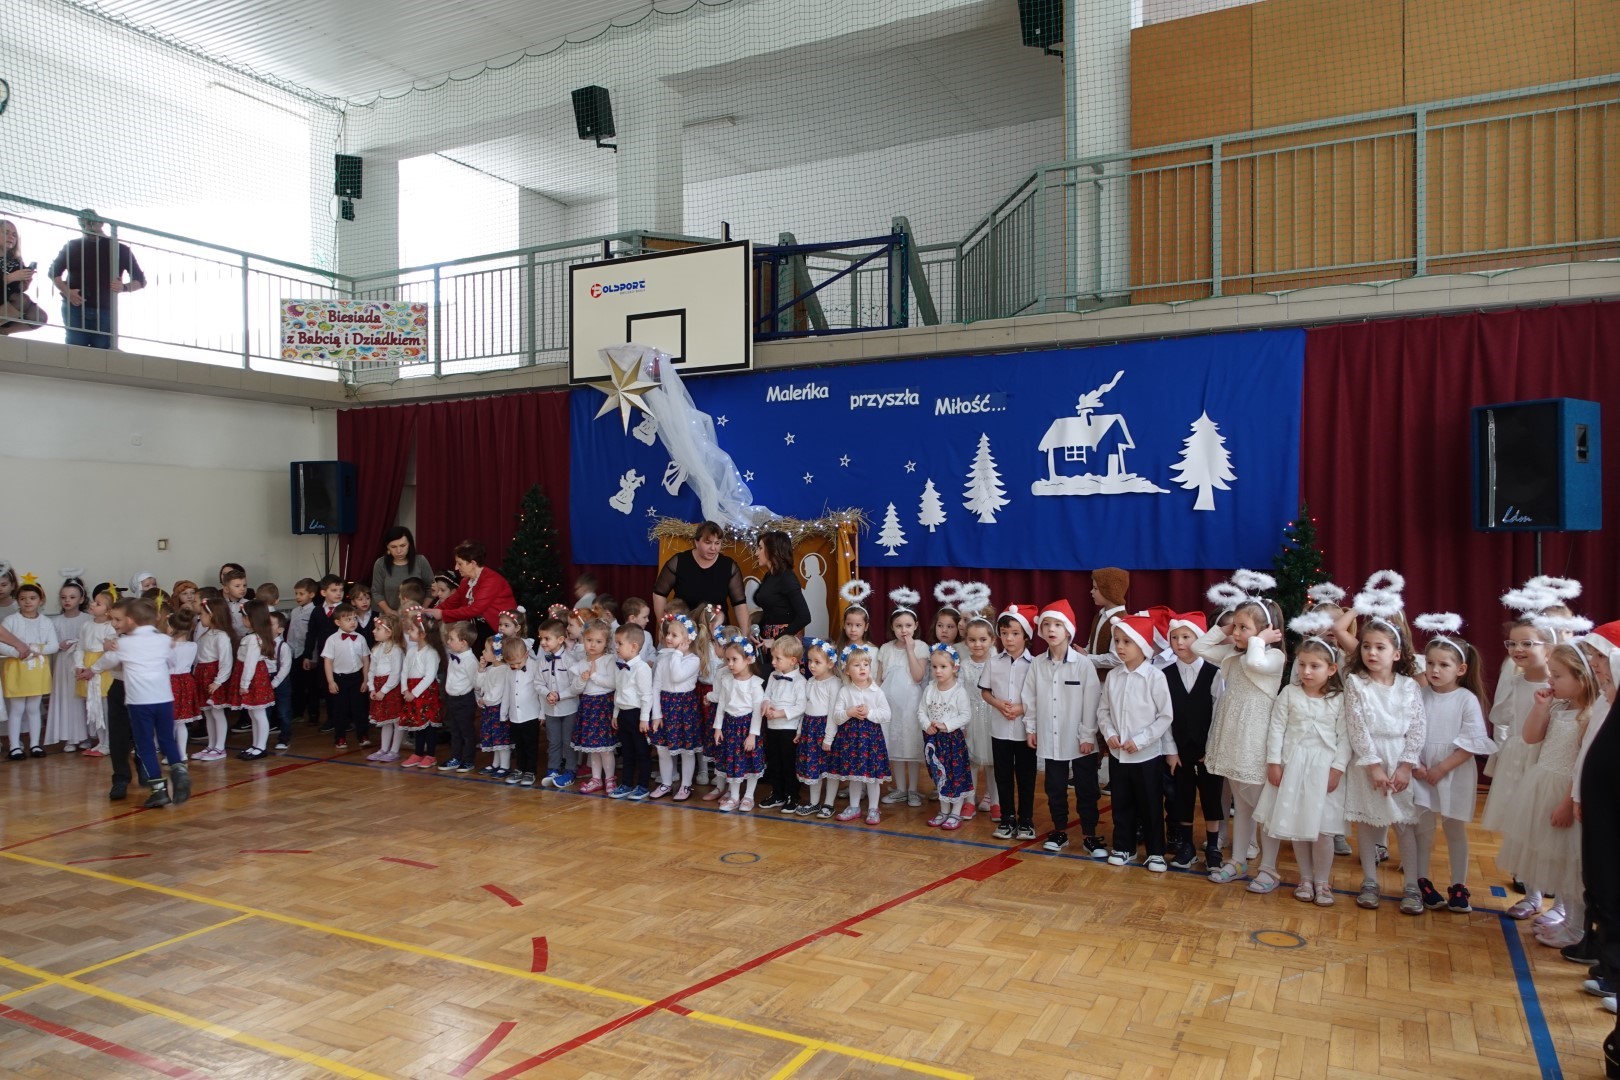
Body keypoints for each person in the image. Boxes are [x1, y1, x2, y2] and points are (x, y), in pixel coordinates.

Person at [1499, 643, 1600, 949]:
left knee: (1571, 865)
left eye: (1557, 675)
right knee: (1554, 861)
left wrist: (1568, 803)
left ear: (1581, 677)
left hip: (1566, 794)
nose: (1550, 681)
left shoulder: (1589, 716)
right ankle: (1565, 919)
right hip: (1541, 787)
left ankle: (1576, 926)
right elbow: (1530, 737)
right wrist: (1541, 707)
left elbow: (1582, 765)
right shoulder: (1558, 707)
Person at [1250, 623, 1349, 902]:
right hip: (1292, 767)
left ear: (1331, 669)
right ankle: (1305, 879)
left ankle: (1322, 881)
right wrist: (1273, 762)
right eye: (1302, 665)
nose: (1306, 671)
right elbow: (1276, 729)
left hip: (1324, 770)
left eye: (1315, 666)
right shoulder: (1289, 693)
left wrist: (1338, 768)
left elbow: (1345, 738)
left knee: (1322, 830)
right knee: (1298, 827)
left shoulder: (1339, 699)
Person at [1196, 595, 1287, 884]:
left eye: (1242, 627)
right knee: (1243, 805)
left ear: (1265, 630)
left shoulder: (1274, 657)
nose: (1235, 633)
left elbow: (1256, 663)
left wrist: (1258, 640)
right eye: (1234, 626)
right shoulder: (1233, 653)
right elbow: (1199, 647)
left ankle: (1268, 868)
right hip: (1232, 736)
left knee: (1263, 808)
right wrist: (1224, 629)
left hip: (1255, 740)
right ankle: (1237, 861)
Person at [1409, 617, 1497, 914]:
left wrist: (1442, 768)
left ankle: (1459, 884)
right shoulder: (1418, 695)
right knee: (1423, 829)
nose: (1434, 670)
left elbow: (1471, 742)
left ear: (1460, 669)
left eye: (1443, 665)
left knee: (1455, 829)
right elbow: (1410, 733)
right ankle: (1422, 880)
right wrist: (1418, 766)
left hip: (1454, 771)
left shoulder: (1466, 699)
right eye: (1430, 663)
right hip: (1421, 772)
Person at [1343, 614, 1429, 913]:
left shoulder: (1409, 686)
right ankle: (1369, 880)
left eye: (1380, 647)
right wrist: (1373, 766)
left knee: (1404, 824)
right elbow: (1357, 728)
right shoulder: (1356, 683)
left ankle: (1411, 886)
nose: (1371, 652)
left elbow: (1417, 727)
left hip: (1399, 757)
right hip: (1369, 761)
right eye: (1366, 646)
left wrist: (1406, 765)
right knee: (1368, 823)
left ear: (1396, 653)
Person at [1481, 613, 1553, 917]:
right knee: (1522, 828)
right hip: (1518, 760)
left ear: (1548, 648)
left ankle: (1561, 903)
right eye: (1512, 644)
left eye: (1527, 643)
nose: (1517, 649)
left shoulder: (1559, 685)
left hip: (1547, 760)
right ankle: (1531, 894)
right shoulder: (1514, 681)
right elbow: (1501, 718)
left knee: (1548, 830)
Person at [90, 597, 189, 807]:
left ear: (130, 620)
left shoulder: (124, 644)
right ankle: (179, 771)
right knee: (166, 740)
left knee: (145, 745)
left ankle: (158, 790)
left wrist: (92, 669)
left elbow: (107, 661)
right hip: (164, 699)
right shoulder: (163, 640)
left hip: (140, 702)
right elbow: (172, 661)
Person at [1096, 614, 1176, 872]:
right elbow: (1103, 711)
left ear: (1142, 644)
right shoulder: (1113, 676)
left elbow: (1165, 716)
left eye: (1126, 641)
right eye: (1117, 641)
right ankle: (1124, 846)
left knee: (1150, 804)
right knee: (1121, 802)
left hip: (1146, 756)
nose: (1119, 646)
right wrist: (1110, 733)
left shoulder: (1155, 677)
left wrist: (1140, 741)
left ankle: (1156, 852)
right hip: (1119, 755)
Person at [1023, 600, 1103, 854]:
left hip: (1081, 740)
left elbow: (1092, 701)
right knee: (1055, 788)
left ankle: (1090, 834)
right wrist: (1031, 728)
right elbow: (1030, 697)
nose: (1051, 629)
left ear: (1068, 630)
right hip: (1050, 737)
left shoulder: (1083, 664)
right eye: (1047, 624)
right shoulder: (1037, 664)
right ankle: (1060, 831)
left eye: (1058, 624)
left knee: (1086, 789)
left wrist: (1087, 734)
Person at [1163, 611, 1223, 871]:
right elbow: (1164, 716)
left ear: (1199, 639)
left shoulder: (1214, 673)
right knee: (1182, 797)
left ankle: (1213, 846)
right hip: (1179, 751)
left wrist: (1211, 748)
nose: (1179, 642)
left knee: (1211, 798)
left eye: (1186, 637)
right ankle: (1186, 846)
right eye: (1174, 637)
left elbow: (1219, 713)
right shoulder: (1164, 674)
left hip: (1208, 751)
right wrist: (1171, 751)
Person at [981, 605, 1037, 841]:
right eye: (1004, 633)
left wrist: (1021, 708)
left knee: (1026, 776)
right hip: (1000, 729)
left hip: (1025, 730)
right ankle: (1007, 818)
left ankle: (1026, 820)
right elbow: (985, 692)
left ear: (1026, 635)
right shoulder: (993, 662)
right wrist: (998, 704)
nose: (1009, 638)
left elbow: (1040, 695)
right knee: (1002, 775)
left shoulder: (1035, 664)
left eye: (1015, 633)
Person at [49, 211, 144, 349]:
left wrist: (123, 287)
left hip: (105, 310)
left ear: (101, 223)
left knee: (102, 351)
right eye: (83, 224)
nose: (88, 227)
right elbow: (53, 272)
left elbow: (140, 280)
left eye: (91, 223)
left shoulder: (120, 249)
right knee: (75, 350)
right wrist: (67, 292)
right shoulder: (72, 246)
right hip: (75, 308)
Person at [824, 646, 891, 824]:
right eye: (856, 665)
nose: (862, 668)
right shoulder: (845, 691)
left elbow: (886, 715)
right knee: (854, 775)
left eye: (865, 664)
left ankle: (873, 808)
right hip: (851, 740)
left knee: (872, 777)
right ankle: (854, 807)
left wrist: (869, 713)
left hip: (871, 740)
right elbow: (836, 716)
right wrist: (849, 712)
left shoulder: (877, 692)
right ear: (847, 670)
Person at [878, 597, 930, 808]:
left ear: (916, 626)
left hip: (911, 705)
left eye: (908, 625)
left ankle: (913, 789)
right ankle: (900, 789)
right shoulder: (885, 648)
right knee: (895, 746)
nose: (904, 630)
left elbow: (918, 676)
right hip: (890, 705)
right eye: (899, 626)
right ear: (892, 627)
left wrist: (910, 649)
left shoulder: (921, 647)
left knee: (911, 746)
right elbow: (879, 679)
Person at [650, 521, 750, 628]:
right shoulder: (679, 561)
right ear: (696, 542)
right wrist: (663, 625)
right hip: (683, 629)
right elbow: (659, 594)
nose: (713, 548)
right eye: (708, 543)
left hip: (716, 630)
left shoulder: (729, 566)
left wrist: (745, 635)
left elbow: (739, 604)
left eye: (717, 543)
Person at [1, 579, 60, 757]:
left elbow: (54, 646)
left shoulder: (46, 622)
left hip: (37, 670)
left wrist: (36, 649)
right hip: (16, 669)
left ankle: (35, 745)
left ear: (41, 600)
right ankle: (15, 746)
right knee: (17, 709)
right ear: (17, 600)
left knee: (34, 709)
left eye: (32, 598)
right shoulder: (10, 620)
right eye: (23, 598)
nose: (28, 602)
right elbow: (1, 643)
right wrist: (16, 652)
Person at [648, 613, 704, 800]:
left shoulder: (693, 660)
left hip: (683, 708)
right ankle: (666, 783)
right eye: (668, 634)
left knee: (687, 750)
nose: (668, 637)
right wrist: (656, 714)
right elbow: (656, 687)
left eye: (674, 635)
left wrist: (678, 654)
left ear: (688, 640)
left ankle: (686, 785)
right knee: (663, 749)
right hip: (665, 706)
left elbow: (677, 676)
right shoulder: (664, 659)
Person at [919, 644, 974, 830]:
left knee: (955, 775)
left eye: (943, 667)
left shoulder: (959, 692)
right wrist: (927, 725)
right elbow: (921, 711)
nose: (938, 671)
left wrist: (946, 725)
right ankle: (943, 811)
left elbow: (965, 715)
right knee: (939, 774)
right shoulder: (930, 689)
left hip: (953, 741)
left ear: (954, 668)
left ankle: (955, 813)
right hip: (934, 740)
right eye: (934, 667)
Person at [423, 540, 517, 647]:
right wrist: (429, 613)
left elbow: (475, 609)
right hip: (478, 628)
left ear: (473, 564)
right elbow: (451, 602)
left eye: (460, 563)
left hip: (497, 630)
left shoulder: (491, 580)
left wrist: (442, 614)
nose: (456, 567)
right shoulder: (466, 581)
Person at [709, 637, 767, 812]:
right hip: (730, 726)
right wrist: (718, 727)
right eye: (728, 659)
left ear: (748, 659)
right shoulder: (727, 680)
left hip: (747, 727)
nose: (730, 664)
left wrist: (752, 735)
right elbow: (722, 705)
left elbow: (757, 712)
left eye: (734, 659)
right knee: (732, 761)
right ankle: (734, 796)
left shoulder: (755, 684)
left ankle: (748, 796)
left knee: (751, 761)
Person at [795, 637, 842, 819]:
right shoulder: (810, 682)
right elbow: (804, 708)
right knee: (813, 767)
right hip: (810, 728)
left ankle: (829, 803)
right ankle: (814, 803)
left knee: (829, 769)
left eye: (817, 662)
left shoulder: (834, 684)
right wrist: (800, 730)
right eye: (810, 661)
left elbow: (833, 713)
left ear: (830, 663)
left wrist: (829, 738)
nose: (812, 665)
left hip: (826, 730)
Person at [571, 620, 619, 793]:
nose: (593, 645)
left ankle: (610, 779)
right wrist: (582, 679)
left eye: (598, 641)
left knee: (605, 748)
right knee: (593, 748)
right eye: (589, 640)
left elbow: (613, 683)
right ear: (583, 639)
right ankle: (596, 778)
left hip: (603, 706)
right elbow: (574, 689)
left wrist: (594, 676)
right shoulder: (581, 663)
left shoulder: (609, 660)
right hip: (588, 706)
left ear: (606, 643)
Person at [759, 635, 807, 811]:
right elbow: (767, 694)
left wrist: (779, 713)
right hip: (772, 727)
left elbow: (801, 706)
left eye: (777, 658)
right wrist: (766, 703)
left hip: (789, 729)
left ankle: (792, 796)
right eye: (773, 657)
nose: (773, 662)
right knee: (774, 762)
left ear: (792, 660)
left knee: (788, 764)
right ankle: (777, 793)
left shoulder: (800, 681)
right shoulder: (773, 675)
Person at [957, 613, 997, 820]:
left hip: (992, 717)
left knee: (992, 763)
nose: (977, 644)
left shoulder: (997, 663)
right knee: (971, 761)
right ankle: (969, 801)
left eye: (983, 639)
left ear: (992, 640)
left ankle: (996, 801)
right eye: (972, 640)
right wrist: (961, 722)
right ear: (966, 641)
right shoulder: (964, 665)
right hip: (971, 718)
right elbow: (959, 693)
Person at [535, 618, 583, 791]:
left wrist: (559, 695)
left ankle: (570, 770)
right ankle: (553, 769)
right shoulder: (542, 661)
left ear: (560, 639)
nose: (543, 642)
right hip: (551, 710)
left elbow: (576, 687)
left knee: (568, 741)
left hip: (569, 709)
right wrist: (547, 693)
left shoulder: (570, 661)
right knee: (553, 741)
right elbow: (538, 683)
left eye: (547, 638)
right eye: (541, 638)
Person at [45, 578, 92, 751]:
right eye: (64, 597)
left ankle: (86, 736)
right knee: (67, 698)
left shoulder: (88, 619)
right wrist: (59, 645)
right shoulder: (55, 621)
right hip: (63, 664)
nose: (67, 600)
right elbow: (50, 643)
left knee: (82, 698)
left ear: (81, 599)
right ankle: (70, 737)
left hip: (82, 663)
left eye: (72, 597)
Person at [610, 624, 654, 800]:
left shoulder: (642, 668)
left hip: (637, 715)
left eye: (620, 643)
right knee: (626, 751)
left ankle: (643, 785)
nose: (616, 647)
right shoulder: (621, 667)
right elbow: (618, 692)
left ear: (634, 646)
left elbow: (646, 696)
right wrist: (616, 714)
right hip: (623, 714)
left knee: (642, 752)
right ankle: (626, 784)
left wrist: (644, 719)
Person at [323, 603, 372, 752]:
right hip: (339, 679)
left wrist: (366, 680)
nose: (352, 622)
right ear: (338, 622)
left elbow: (365, 660)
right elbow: (328, 661)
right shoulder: (332, 640)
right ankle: (340, 737)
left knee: (360, 709)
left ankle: (363, 735)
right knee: (340, 710)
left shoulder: (360, 638)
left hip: (357, 678)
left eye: (354, 618)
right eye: (348, 619)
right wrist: (331, 681)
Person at [397, 614, 444, 767]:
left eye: (412, 629)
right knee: (417, 724)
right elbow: (404, 671)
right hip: (411, 691)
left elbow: (429, 677)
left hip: (426, 693)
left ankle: (430, 755)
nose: (408, 632)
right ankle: (418, 753)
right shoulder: (411, 651)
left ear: (423, 634)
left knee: (428, 725)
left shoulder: (431, 653)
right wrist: (405, 689)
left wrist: (414, 693)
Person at [750, 531, 811, 646]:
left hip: (785, 644)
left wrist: (776, 640)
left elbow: (804, 617)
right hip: (769, 639)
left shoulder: (787, 577)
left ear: (772, 550)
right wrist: (757, 632)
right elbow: (770, 612)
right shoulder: (769, 576)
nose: (756, 553)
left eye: (760, 548)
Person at [439, 622, 480, 774]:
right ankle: (455, 757)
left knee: (466, 731)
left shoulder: (470, 661)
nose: (448, 641)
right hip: (453, 699)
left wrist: (477, 701)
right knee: (454, 730)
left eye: (451, 639)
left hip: (465, 700)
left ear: (463, 643)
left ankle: (468, 760)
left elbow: (476, 682)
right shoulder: (454, 655)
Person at [364, 614, 405, 762]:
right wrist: (371, 688)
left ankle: (394, 750)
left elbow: (395, 674)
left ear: (389, 632)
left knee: (396, 720)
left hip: (391, 689)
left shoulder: (396, 650)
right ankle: (383, 748)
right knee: (385, 720)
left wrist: (384, 690)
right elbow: (372, 670)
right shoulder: (376, 649)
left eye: (378, 629)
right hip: (378, 687)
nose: (373, 631)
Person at [502, 636, 542, 787]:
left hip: (531, 714)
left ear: (526, 654)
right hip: (514, 715)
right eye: (511, 664)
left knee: (530, 744)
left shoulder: (535, 667)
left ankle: (530, 771)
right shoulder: (510, 670)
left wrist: (542, 713)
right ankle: (520, 768)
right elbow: (507, 690)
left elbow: (540, 691)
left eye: (518, 663)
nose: (515, 666)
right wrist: (504, 711)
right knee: (518, 744)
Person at [371, 527, 434, 616]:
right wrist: (389, 611)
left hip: (416, 615)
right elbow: (377, 592)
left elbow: (431, 588)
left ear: (409, 544)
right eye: (393, 547)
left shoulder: (420, 561)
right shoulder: (381, 563)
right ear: (387, 547)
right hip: (390, 616)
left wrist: (421, 610)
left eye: (403, 545)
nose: (399, 551)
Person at [476, 636, 514, 780]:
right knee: (494, 738)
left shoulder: (504, 670)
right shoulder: (490, 669)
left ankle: (505, 765)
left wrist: (485, 699)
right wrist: (481, 669)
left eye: (486, 650)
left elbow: (497, 693)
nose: (483, 652)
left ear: (497, 654)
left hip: (498, 710)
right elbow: (479, 685)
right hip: (490, 709)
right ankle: (496, 763)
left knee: (501, 739)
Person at [1, 219, 46, 335]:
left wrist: (25, 283)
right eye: (6, 232)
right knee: (22, 300)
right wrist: (11, 277)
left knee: (40, 317)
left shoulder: (16, 261)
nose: (11, 237)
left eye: (14, 235)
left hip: (7, 300)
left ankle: (4, 332)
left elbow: (16, 289)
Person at [166, 608, 200, 760]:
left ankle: (173, 754)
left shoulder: (169, 646)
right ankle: (181, 753)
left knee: (170, 722)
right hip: (186, 681)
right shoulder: (193, 646)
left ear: (173, 628)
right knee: (180, 722)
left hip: (170, 682)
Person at [1084, 568, 1130, 673]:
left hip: (1110, 680)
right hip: (1094, 678)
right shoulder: (1099, 616)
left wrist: (1087, 657)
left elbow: (1117, 658)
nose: (1091, 591)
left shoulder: (1122, 620)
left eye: (1096, 588)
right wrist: (1082, 652)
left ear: (1109, 591)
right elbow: (1092, 646)